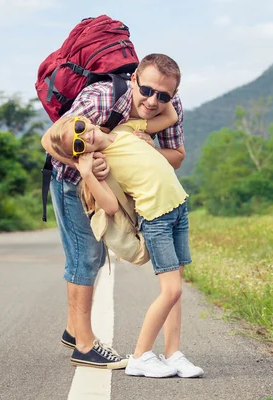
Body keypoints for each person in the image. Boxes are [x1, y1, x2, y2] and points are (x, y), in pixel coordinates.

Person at [40, 54, 189, 371]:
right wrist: (85, 166)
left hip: (113, 184)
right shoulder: (100, 99)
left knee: (94, 255)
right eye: (147, 91)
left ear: (173, 95)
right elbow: (51, 139)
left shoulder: (149, 119)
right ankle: (84, 345)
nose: (153, 101)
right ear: (134, 78)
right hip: (69, 180)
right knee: (87, 256)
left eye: (164, 96)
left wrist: (145, 146)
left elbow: (176, 156)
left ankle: (73, 329)